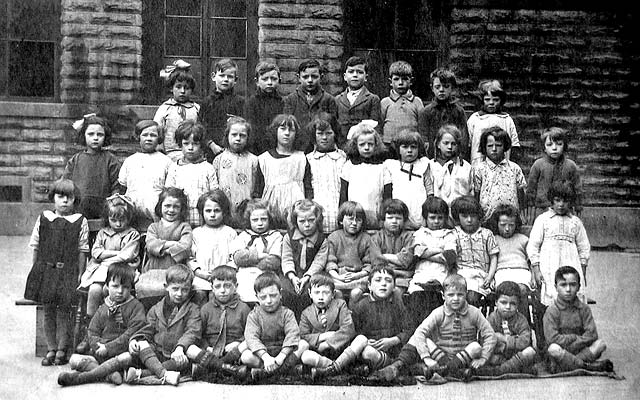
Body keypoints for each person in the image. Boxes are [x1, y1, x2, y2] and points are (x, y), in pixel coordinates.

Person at [372, 274, 495, 381]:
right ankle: (397, 365)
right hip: (440, 356)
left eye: (460, 295)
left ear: (466, 295)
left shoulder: (474, 313)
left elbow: (490, 335)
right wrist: (426, 358)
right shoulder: (439, 312)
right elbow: (420, 332)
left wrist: (483, 358)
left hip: (463, 358)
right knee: (417, 337)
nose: (455, 299)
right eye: (451, 295)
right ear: (443, 295)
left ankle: (444, 371)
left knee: (476, 347)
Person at [24, 178, 89, 366]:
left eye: (69, 197)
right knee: (48, 311)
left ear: (75, 200)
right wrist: (35, 270)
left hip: (67, 272)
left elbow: (82, 250)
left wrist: (80, 274)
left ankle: (62, 348)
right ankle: (50, 348)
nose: (65, 201)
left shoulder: (79, 221)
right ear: (53, 198)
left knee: (64, 311)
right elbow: (35, 245)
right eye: (61, 197)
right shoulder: (44, 218)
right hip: (46, 271)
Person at [313, 266, 412, 379]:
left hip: (389, 353)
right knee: (363, 344)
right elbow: (353, 331)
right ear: (369, 285)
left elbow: (409, 330)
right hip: (366, 348)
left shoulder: (397, 305)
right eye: (378, 280)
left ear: (394, 287)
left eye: (388, 281)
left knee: (369, 353)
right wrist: (367, 341)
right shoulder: (362, 305)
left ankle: (343, 369)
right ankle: (334, 368)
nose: (383, 284)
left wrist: (393, 340)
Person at [57, 264, 146, 386]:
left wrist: (108, 348)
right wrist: (99, 346)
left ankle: (81, 378)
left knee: (126, 357)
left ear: (131, 288)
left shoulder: (136, 307)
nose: (120, 291)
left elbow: (131, 333)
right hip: (102, 354)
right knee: (74, 360)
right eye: (115, 286)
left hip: (121, 353)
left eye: (125, 287)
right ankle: (109, 374)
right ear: (107, 286)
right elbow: (92, 331)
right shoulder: (104, 307)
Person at [76, 194, 140, 354]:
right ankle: (89, 332)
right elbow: (96, 252)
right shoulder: (103, 233)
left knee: (108, 291)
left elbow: (127, 255)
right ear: (108, 218)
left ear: (128, 218)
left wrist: (107, 254)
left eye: (122, 220)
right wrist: (114, 253)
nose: (118, 224)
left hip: (122, 270)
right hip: (101, 269)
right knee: (95, 290)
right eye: (114, 220)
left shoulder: (132, 234)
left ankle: (110, 331)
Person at [125, 264, 201, 385]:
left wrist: (180, 347)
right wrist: (134, 340)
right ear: (166, 287)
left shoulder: (193, 309)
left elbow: (192, 331)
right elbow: (147, 329)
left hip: (178, 355)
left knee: (185, 359)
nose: (179, 294)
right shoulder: (156, 309)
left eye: (184, 289)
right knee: (141, 343)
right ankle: (164, 374)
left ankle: (142, 373)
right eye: (175, 289)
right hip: (157, 353)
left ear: (190, 289)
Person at [527, 182, 590, 306]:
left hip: (571, 262)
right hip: (549, 264)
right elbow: (533, 246)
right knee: (551, 294)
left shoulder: (575, 222)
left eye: (565, 201)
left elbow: (584, 247)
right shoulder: (543, 220)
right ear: (551, 201)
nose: (561, 204)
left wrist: (582, 272)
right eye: (557, 200)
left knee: (570, 293)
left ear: (570, 202)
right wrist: (536, 270)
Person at [240, 272, 309, 381]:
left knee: (303, 344)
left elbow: (292, 334)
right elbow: (251, 337)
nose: (269, 301)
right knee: (246, 356)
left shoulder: (287, 313)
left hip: (283, 351)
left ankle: (266, 372)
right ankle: (286, 370)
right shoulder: (254, 315)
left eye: (273, 295)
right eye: (263, 297)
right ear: (256, 297)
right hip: (264, 352)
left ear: (280, 294)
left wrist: (282, 356)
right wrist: (265, 357)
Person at [543, 266, 613, 373]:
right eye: (563, 285)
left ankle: (567, 365)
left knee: (600, 344)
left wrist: (575, 344)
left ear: (579, 287)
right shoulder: (552, 310)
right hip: (562, 351)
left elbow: (592, 334)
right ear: (556, 287)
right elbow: (552, 339)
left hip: (580, 350)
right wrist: (574, 338)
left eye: (572, 284)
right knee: (553, 348)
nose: (568, 289)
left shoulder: (584, 309)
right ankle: (586, 366)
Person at [188, 265, 252, 380]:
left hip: (234, 352)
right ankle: (227, 368)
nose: (222, 290)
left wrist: (237, 343)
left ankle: (211, 368)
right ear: (212, 288)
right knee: (191, 349)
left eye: (227, 286)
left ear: (235, 287)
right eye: (218, 286)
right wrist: (207, 348)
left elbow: (250, 334)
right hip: (211, 351)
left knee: (247, 346)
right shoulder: (206, 309)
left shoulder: (243, 308)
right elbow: (199, 334)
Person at [405, 197, 457, 328]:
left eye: (440, 218)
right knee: (417, 298)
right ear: (425, 218)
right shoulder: (420, 233)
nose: (436, 221)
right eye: (432, 218)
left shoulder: (449, 234)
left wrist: (426, 253)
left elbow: (449, 257)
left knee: (436, 301)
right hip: (422, 274)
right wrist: (439, 251)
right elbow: (417, 252)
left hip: (440, 275)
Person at [254, 114, 313, 229]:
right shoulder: (264, 159)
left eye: (291, 130)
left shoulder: (301, 158)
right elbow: (258, 189)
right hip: (270, 212)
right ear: (275, 131)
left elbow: (308, 187)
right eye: (282, 129)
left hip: (296, 211)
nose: (287, 133)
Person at [136, 187, 192, 300]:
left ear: (182, 209)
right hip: (153, 267)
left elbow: (185, 247)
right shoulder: (154, 227)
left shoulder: (184, 227)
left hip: (177, 267)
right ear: (160, 206)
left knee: (175, 292)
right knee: (149, 292)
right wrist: (173, 244)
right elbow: (151, 245)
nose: (171, 210)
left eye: (176, 207)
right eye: (167, 206)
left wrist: (161, 247)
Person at [472, 281, 537, 376]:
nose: (508, 307)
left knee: (530, 352)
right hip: (499, 355)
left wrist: (504, 339)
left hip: (516, 354)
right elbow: (484, 340)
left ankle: (499, 371)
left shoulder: (521, 320)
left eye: (513, 304)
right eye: (503, 302)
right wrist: (501, 347)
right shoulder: (492, 318)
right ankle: (514, 368)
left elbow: (525, 341)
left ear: (518, 304)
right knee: (490, 357)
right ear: (496, 303)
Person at [118, 120, 172, 231]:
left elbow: (169, 189)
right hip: (132, 212)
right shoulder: (130, 161)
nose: (149, 138)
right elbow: (123, 185)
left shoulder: (166, 161)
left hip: (155, 214)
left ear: (159, 138)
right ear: (138, 137)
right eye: (145, 135)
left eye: (153, 135)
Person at [64, 113, 120, 220]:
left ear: (105, 136)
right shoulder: (76, 160)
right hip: (79, 208)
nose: (95, 138)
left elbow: (116, 186)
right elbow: (65, 184)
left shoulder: (111, 160)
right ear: (83, 135)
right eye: (91, 134)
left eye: (100, 135)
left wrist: (113, 204)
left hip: (103, 210)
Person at [489, 204, 541, 319]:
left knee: (521, 290)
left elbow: (532, 260)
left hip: (521, 271)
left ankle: (523, 324)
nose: (507, 229)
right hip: (501, 272)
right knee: (504, 292)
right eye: (503, 225)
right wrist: (491, 277)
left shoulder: (523, 239)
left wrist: (533, 276)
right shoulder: (493, 239)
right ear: (497, 224)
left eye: (511, 225)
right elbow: (490, 261)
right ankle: (502, 325)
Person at [281, 200, 329, 319]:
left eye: (311, 220)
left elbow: (319, 262)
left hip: (312, 274)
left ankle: (307, 325)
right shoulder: (289, 237)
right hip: (292, 274)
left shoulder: (322, 240)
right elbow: (287, 258)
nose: (307, 225)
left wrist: (307, 277)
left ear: (317, 220)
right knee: (285, 292)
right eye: (302, 221)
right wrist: (292, 276)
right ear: (295, 222)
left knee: (309, 293)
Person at [165, 120, 218, 228]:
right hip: (180, 217)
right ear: (180, 144)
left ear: (201, 145)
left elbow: (214, 194)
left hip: (203, 217)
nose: (190, 148)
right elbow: (169, 194)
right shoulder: (174, 168)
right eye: (186, 143)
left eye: (195, 144)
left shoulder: (208, 168)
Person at [188, 190, 237, 305]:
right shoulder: (196, 233)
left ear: (224, 212)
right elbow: (190, 258)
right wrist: (199, 272)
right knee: (199, 294)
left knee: (218, 297)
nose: (212, 215)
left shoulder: (230, 233)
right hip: (202, 277)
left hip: (224, 278)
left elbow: (234, 258)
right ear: (202, 212)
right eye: (208, 211)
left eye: (217, 210)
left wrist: (225, 273)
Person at [299, 273, 356, 372]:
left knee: (358, 343)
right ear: (310, 293)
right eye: (316, 292)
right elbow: (303, 336)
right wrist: (324, 336)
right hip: (318, 351)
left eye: (325, 293)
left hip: (339, 349)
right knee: (306, 356)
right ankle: (332, 365)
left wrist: (327, 343)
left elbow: (348, 329)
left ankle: (335, 366)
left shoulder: (340, 305)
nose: (321, 297)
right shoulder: (306, 313)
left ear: (333, 294)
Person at [340, 121, 392, 229]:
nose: (367, 147)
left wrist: (384, 218)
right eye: (362, 144)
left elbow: (387, 196)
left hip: (375, 217)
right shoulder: (349, 166)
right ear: (355, 146)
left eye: (370, 144)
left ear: (376, 145)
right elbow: (343, 195)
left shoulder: (382, 167)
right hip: (354, 218)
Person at [230, 199, 283, 303]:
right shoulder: (244, 236)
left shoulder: (275, 236)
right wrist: (259, 256)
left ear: (270, 219)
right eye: (255, 220)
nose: (260, 223)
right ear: (249, 220)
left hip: (266, 273)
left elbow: (274, 261)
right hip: (244, 274)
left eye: (264, 219)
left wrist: (249, 260)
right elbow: (238, 258)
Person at [451, 196, 499, 307]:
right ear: (458, 217)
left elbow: (493, 257)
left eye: (473, 216)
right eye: (464, 216)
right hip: (462, 276)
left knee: (472, 297)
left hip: (482, 276)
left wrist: (490, 276)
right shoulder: (454, 234)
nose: (469, 220)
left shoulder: (486, 234)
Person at [212, 116, 259, 227]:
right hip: (224, 211)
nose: (238, 138)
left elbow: (257, 188)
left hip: (246, 210)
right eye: (234, 135)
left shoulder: (254, 160)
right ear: (227, 135)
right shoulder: (219, 160)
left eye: (242, 135)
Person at [326, 201, 378, 301]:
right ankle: (341, 315)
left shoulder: (366, 238)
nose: (354, 223)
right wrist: (338, 277)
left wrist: (356, 275)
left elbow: (368, 265)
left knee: (356, 293)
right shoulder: (333, 237)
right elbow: (330, 263)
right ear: (341, 220)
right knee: (337, 293)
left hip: (359, 277)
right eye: (350, 219)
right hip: (338, 277)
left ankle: (355, 315)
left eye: (358, 220)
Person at [526, 127, 582, 220]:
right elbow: (531, 189)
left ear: (564, 146)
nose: (554, 148)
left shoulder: (570, 166)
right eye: (549, 144)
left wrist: (578, 206)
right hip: (543, 209)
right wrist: (530, 209)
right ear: (544, 147)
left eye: (559, 144)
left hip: (565, 209)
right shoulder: (538, 165)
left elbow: (577, 189)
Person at [473, 126, 527, 223]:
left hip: (510, 219)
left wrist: (522, 213)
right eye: (490, 146)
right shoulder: (479, 169)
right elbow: (476, 194)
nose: (494, 149)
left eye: (498, 145)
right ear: (484, 147)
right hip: (487, 218)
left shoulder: (514, 168)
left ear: (505, 146)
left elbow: (521, 192)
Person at [305, 112, 347, 233]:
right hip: (316, 219)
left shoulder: (343, 158)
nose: (324, 137)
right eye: (320, 134)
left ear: (335, 134)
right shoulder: (308, 160)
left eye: (329, 133)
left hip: (338, 216)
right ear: (314, 135)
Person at [383, 130, 433, 229]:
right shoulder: (391, 166)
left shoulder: (423, 164)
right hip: (398, 211)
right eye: (405, 147)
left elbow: (429, 188)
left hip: (419, 209)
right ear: (398, 149)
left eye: (413, 147)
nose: (409, 150)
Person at [418, 67, 469, 160]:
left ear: (452, 88)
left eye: (446, 86)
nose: (441, 90)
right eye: (437, 87)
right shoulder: (426, 112)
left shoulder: (458, 111)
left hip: (454, 155)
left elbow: (464, 136)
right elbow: (423, 138)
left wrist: (461, 156)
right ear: (432, 88)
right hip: (433, 158)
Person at [200, 58, 246, 161]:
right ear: (213, 76)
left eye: (230, 77)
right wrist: (211, 145)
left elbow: (244, 127)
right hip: (212, 151)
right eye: (222, 75)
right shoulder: (207, 102)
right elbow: (201, 127)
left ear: (235, 80)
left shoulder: (240, 102)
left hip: (235, 151)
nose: (225, 79)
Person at [154, 60, 200, 161]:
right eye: (178, 87)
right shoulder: (165, 108)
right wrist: (160, 150)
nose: (182, 91)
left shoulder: (196, 108)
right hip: (170, 153)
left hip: (192, 153)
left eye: (186, 88)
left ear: (191, 90)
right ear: (171, 88)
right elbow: (157, 129)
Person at [467, 79, 520, 165]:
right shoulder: (475, 119)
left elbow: (514, 145)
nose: (491, 103)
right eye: (487, 99)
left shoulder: (506, 119)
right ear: (482, 100)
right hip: (479, 162)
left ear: (501, 100)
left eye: (495, 100)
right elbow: (468, 144)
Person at [370, 199, 414, 294]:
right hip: (382, 276)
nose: (394, 221)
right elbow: (377, 261)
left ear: (404, 220)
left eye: (398, 218)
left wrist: (385, 256)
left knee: (397, 292)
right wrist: (397, 260)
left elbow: (406, 260)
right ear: (384, 219)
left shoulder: (409, 237)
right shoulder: (376, 238)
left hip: (403, 277)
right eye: (390, 218)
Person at [334, 56, 381, 146]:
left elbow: (374, 125)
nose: (355, 75)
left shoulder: (372, 99)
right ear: (345, 76)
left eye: (359, 72)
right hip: (342, 145)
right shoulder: (337, 99)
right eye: (351, 72)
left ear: (366, 77)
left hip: (363, 145)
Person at [380, 60, 424, 151]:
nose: (400, 82)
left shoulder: (416, 101)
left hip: (410, 146)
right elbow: (380, 125)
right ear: (390, 82)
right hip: (389, 146)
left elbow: (422, 125)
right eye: (396, 79)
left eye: (404, 79)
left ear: (410, 81)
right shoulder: (385, 102)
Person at [283, 58, 338, 132]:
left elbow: (334, 127)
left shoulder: (329, 100)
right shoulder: (290, 100)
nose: (310, 80)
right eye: (305, 77)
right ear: (299, 77)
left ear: (321, 77)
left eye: (314, 76)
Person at [244, 62, 284, 155]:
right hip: (256, 148)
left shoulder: (282, 102)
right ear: (257, 81)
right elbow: (251, 129)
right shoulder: (251, 102)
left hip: (277, 147)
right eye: (265, 79)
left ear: (279, 80)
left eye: (273, 79)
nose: (269, 82)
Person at [429, 124, 474, 207]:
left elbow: (471, 192)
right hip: (438, 213)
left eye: (453, 144)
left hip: (460, 212)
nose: (449, 147)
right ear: (438, 144)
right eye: (445, 143)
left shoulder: (465, 167)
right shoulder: (431, 166)